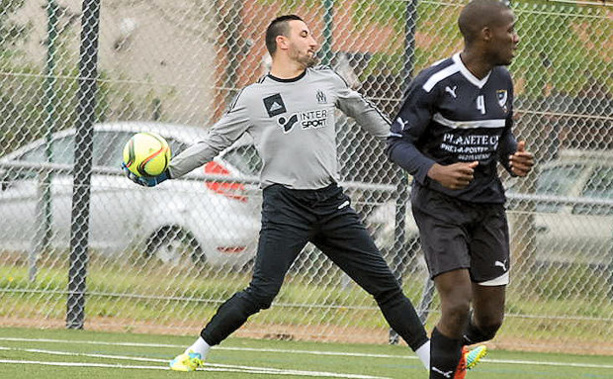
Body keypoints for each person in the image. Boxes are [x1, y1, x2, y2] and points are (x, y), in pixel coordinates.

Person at [124, 15, 486, 377]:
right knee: (261, 293)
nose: (313, 41)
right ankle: (196, 352)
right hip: (285, 207)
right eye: (304, 34)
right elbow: (211, 144)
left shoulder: (327, 80)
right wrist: (167, 173)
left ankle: (441, 364)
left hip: (331, 204)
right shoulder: (254, 98)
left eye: (312, 34)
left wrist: (418, 157)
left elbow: (370, 117)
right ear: (282, 43)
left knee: (386, 286)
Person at [386, 1, 534, 378]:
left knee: (489, 322)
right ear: (487, 34)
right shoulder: (434, 82)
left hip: (487, 206)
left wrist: (510, 157)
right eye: (510, 30)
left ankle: (448, 357)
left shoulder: (503, 80)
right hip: (440, 206)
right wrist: (435, 170)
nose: (516, 38)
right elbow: (397, 143)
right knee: (456, 306)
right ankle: (444, 369)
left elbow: (501, 136)